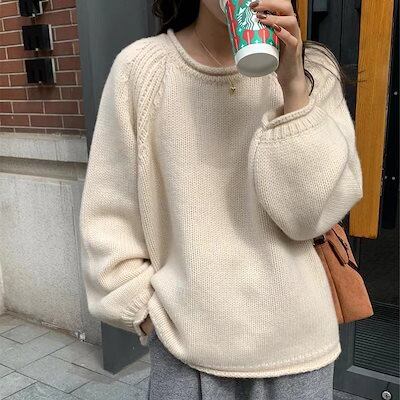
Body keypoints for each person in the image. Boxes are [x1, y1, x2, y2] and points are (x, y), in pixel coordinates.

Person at [79, 0, 363, 398]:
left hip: (299, 352)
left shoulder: (313, 69)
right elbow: (109, 215)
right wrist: (144, 312)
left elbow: (308, 218)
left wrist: (293, 86)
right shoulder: (141, 69)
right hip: (187, 353)